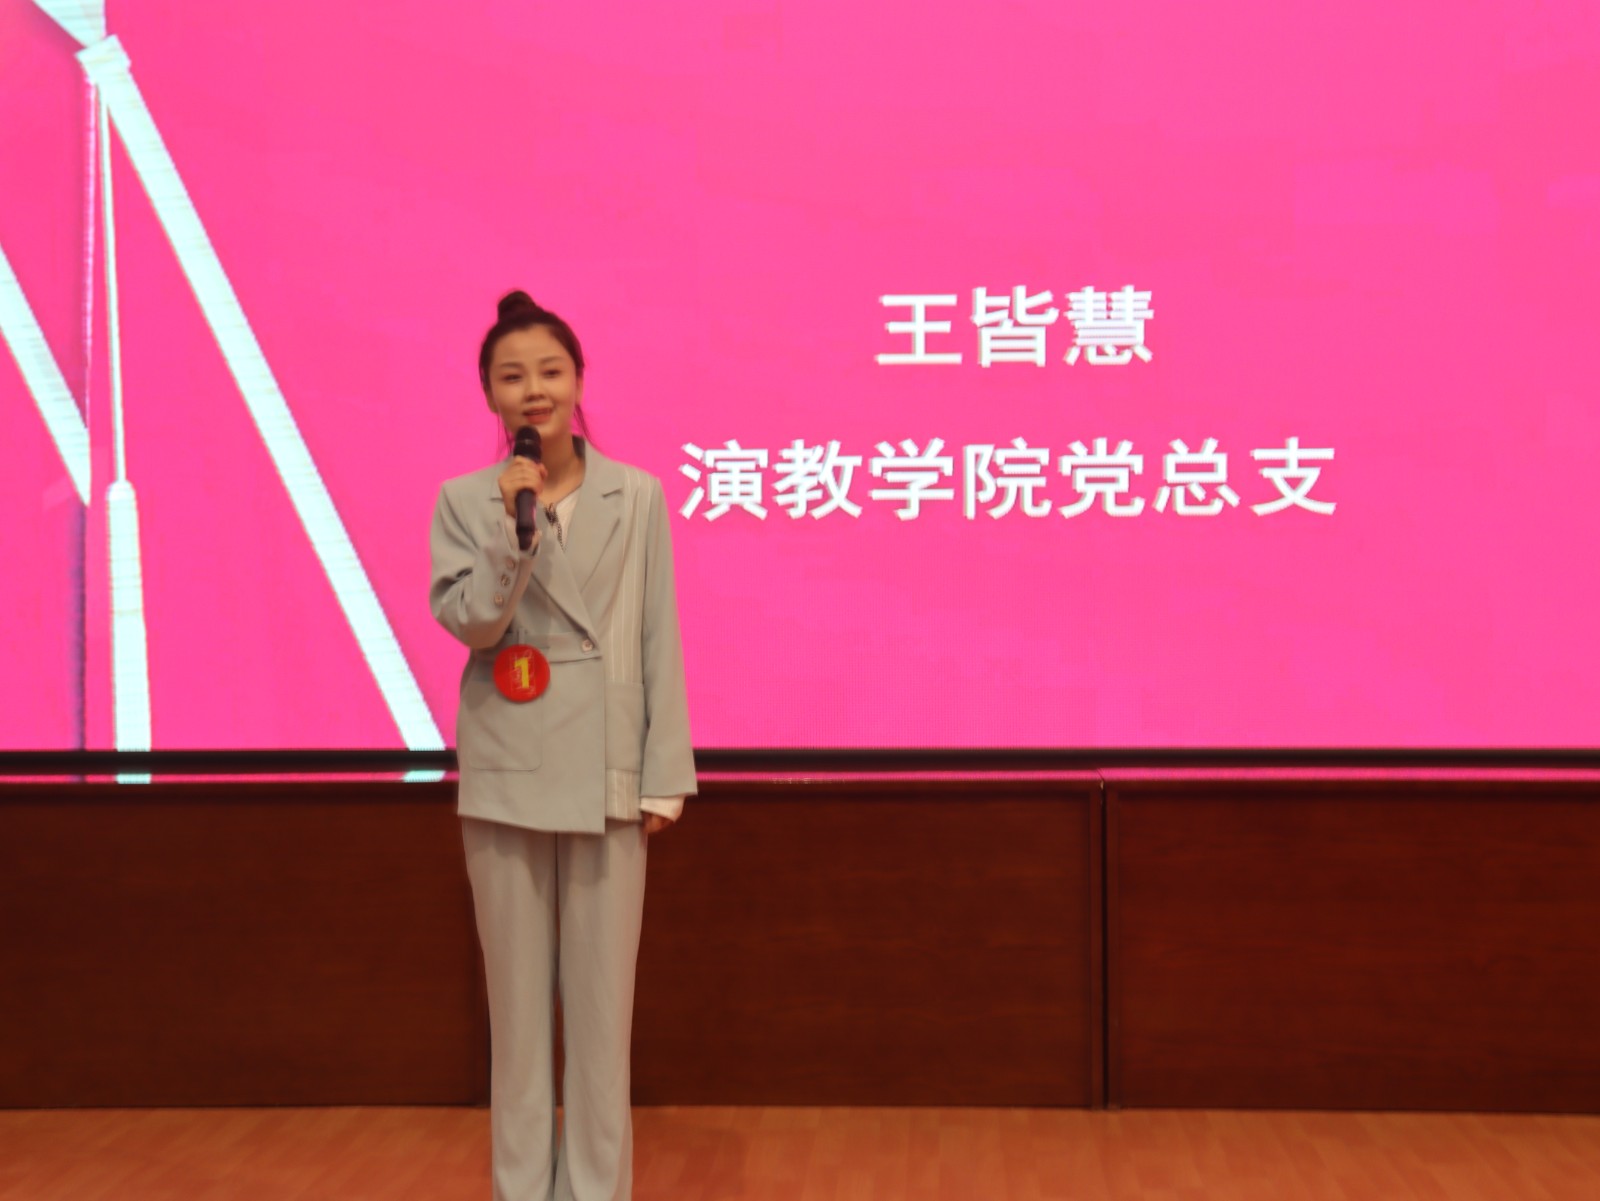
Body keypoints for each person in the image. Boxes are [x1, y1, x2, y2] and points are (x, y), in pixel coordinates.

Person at [429, 290, 696, 1201]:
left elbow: (658, 634)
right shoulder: (466, 500)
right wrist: (517, 531)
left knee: (600, 1019)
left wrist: (664, 775)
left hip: (606, 769)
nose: (533, 389)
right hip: (506, 766)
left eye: (550, 371)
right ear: (489, 395)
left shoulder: (638, 494)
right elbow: (473, 622)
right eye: (513, 376)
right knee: (516, 1022)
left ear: (579, 381)